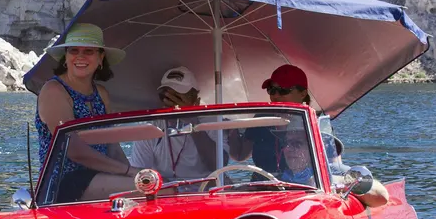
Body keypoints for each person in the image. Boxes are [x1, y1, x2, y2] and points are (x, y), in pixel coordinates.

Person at [236, 64, 389, 207]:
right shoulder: (261, 117)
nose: (276, 95)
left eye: (283, 90)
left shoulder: (316, 123)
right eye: (272, 90)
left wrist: (337, 182)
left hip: (308, 192)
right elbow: (239, 155)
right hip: (264, 188)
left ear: (302, 92)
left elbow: (335, 168)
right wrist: (228, 132)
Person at [35, 23, 141, 202]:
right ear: (65, 58)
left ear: (101, 58)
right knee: (159, 188)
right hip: (63, 182)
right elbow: (74, 150)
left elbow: (112, 146)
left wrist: (133, 174)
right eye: (74, 50)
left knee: (159, 183)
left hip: (100, 176)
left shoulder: (101, 93)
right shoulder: (54, 90)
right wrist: (129, 172)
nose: (80, 56)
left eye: (89, 51)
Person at [130, 66, 223, 183]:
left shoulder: (210, 122)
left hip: (206, 188)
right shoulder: (149, 129)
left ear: (196, 103)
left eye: (178, 97)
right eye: (166, 97)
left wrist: (192, 123)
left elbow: (218, 164)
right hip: (166, 191)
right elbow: (139, 174)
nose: (172, 103)